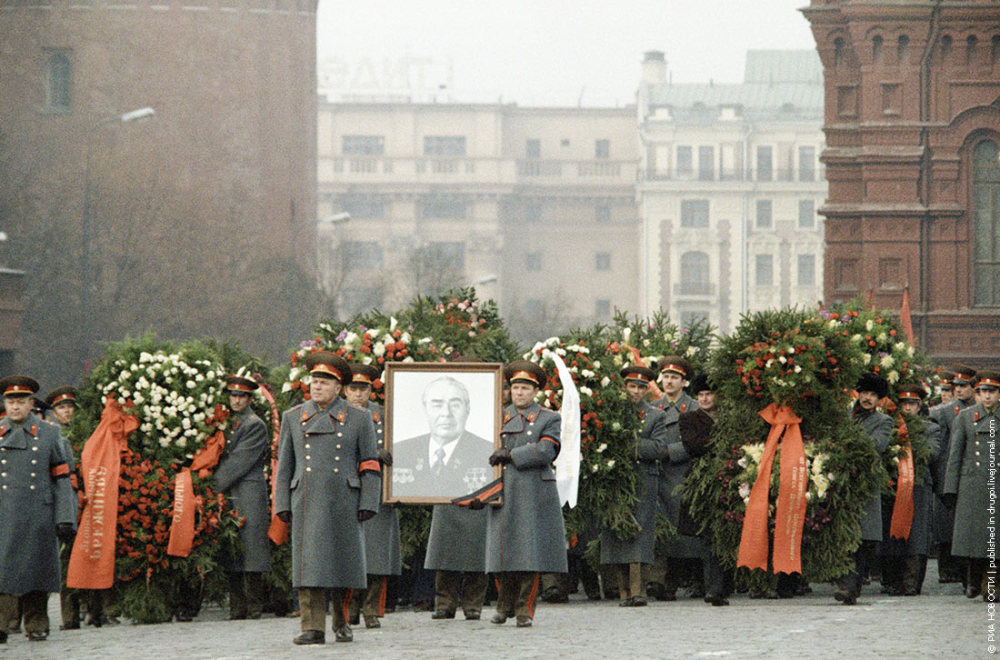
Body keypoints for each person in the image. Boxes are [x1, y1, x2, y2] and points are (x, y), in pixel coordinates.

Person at [275, 352, 380, 645]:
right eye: (314, 381)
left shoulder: (359, 418)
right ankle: (312, 627)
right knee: (310, 565)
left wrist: (369, 501)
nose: (317, 387)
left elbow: (370, 463)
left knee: (344, 564)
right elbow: (284, 465)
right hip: (306, 499)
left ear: (339, 387)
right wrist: (281, 503)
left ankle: (342, 621)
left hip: (345, 499)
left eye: (324, 382)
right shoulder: (294, 417)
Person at [486, 360, 567, 627]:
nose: (519, 393)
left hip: (534, 491)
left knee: (529, 553)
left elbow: (546, 450)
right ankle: (503, 604)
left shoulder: (549, 418)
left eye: (525, 388)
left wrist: (511, 454)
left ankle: (524, 609)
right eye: (516, 387)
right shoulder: (498, 416)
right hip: (503, 491)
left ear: (535, 392)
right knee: (501, 551)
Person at [0, 376, 77, 643]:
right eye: (11, 402)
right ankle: (2, 623)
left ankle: (37, 622)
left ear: (31, 404)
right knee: (3, 570)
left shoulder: (49, 434)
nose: (15, 407)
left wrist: (65, 517)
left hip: (38, 515)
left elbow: (62, 478)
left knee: (37, 571)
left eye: (21, 402)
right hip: (4, 514)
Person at [422, 358, 490, 623]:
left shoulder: (484, 429)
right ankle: (444, 603)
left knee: (477, 553)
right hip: (445, 494)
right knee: (444, 552)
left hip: (478, 492)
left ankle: (473, 605)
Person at [599, 364, 667, 607]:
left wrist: (627, 445)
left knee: (640, 533)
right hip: (617, 479)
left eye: (641, 387)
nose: (635, 392)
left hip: (643, 480)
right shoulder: (614, 413)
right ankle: (623, 591)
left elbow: (659, 448)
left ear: (647, 390)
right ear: (624, 387)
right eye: (631, 386)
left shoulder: (655, 415)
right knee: (617, 531)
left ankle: (639, 592)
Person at [343, 363, 401, 629]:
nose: (358, 394)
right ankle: (349, 608)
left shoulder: (384, 416)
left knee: (378, 554)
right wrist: (371, 453)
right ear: (345, 390)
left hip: (379, 490)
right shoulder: (339, 414)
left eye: (363, 388)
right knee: (350, 551)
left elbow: (402, 445)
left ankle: (371, 609)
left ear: (371, 390)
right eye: (353, 388)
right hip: (349, 488)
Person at [213, 374, 271, 620]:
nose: (236, 400)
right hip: (232, 490)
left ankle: (254, 604)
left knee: (252, 547)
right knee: (233, 547)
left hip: (248, 489)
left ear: (249, 398)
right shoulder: (227, 421)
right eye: (233, 395)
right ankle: (237, 606)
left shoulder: (254, 424)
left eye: (242, 396)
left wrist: (211, 484)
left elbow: (240, 461)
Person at [834, 373, 893, 605]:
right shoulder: (843, 417)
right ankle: (845, 585)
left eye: (873, 395)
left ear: (879, 399)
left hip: (865, 485)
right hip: (842, 482)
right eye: (864, 393)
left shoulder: (884, 421)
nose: (868, 398)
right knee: (844, 535)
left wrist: (848, 443)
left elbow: (876, 445)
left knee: (862, 538)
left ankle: (851, 586)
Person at [943, 370, 1000, 601]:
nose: (987, 396)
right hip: (972, 485)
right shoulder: (966, 418)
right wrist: (950, 488)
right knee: (974, 540)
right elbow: (955, 455)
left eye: (991, 392)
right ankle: (973, 580)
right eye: (983, 392)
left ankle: (990, 584)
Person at [880, 384, 941, 596]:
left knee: (917, 535)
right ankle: (892, 581)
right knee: (894, 533)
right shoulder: (890, 426)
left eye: (912, 404)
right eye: (904, 404)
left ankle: (912, 582)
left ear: (919, 405)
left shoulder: (930, 428)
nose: (907, 409)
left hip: (918, 487)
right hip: (895, 486)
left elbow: (933, 453)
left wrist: (910, 444)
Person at [649, 355, 700, 601]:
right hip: (658, 475)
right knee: (661, 528)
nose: (669, 382)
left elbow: (701, 439)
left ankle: (690, 577)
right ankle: (660, 581)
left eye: (674, 378)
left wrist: (673, 452)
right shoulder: (655, 407)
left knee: (684, 529)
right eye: (666, 377)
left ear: (684, 382)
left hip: (682, 473)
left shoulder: (692, 408)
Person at [392, 376, 494, 498]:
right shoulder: (401, 451)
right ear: (425, 409)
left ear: (467, 410)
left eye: (455, 405)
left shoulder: (487, 452)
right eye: (437, 405)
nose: (446, 413)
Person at [677, 373, 730, 606]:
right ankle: (713, 588)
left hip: (729, 478)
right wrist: (722, 443)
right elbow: (694, 446)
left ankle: (725, 586)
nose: (705, 399)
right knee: (709, 536)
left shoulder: (729, 418)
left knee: (726, 533)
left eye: (709, 394)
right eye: (701, 395)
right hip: (703, 482)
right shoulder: (689, 419)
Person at [930, 364, 978, 585]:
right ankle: (948, 569)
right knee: (947, 525)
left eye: (964, 386)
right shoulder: (945, 412)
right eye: (956, 386)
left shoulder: (982, 409)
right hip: (950, 471)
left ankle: (970, 573)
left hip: (975, 473)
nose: (959, 390)